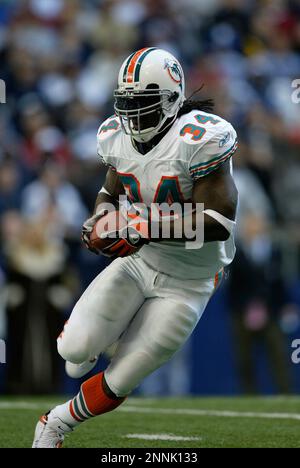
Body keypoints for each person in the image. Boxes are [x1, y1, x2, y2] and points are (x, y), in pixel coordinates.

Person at [32, 47, 238, 448]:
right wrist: (100, 220)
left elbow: (217, 223)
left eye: (142, 105)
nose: (132, 116)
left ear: (170, 99)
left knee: (122, 378)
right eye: (126, 105)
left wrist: (142, 225)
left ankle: (56, 423)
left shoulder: (201, 138)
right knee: (73, 352)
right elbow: (109, 191)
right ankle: (96, 340)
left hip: (190, 281)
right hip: (139, 262)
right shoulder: (115, 136)